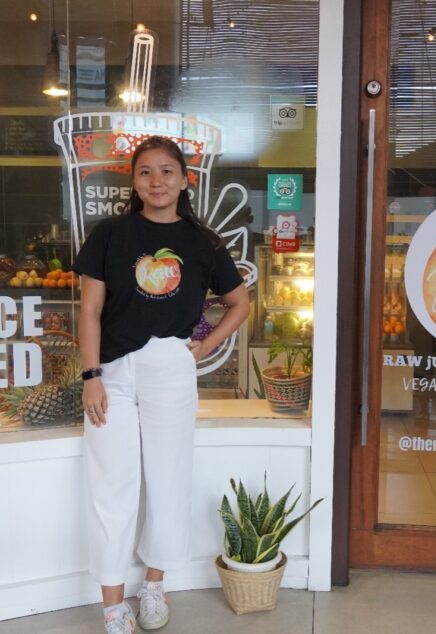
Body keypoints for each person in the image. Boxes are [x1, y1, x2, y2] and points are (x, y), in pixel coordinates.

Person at [75, 135, 250, 633]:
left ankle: (154, 585)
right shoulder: (110, 235)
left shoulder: (202, 242)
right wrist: (92, 376)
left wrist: (203, 346)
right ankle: (113, 605)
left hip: (170, 369)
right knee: (111, 485)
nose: (157, 182)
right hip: (113, 371)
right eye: (146, 172)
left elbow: (239, 303)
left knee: (168, 479)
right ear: (134, 181)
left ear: (184, 180)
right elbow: (89, 309)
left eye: (167, 171)